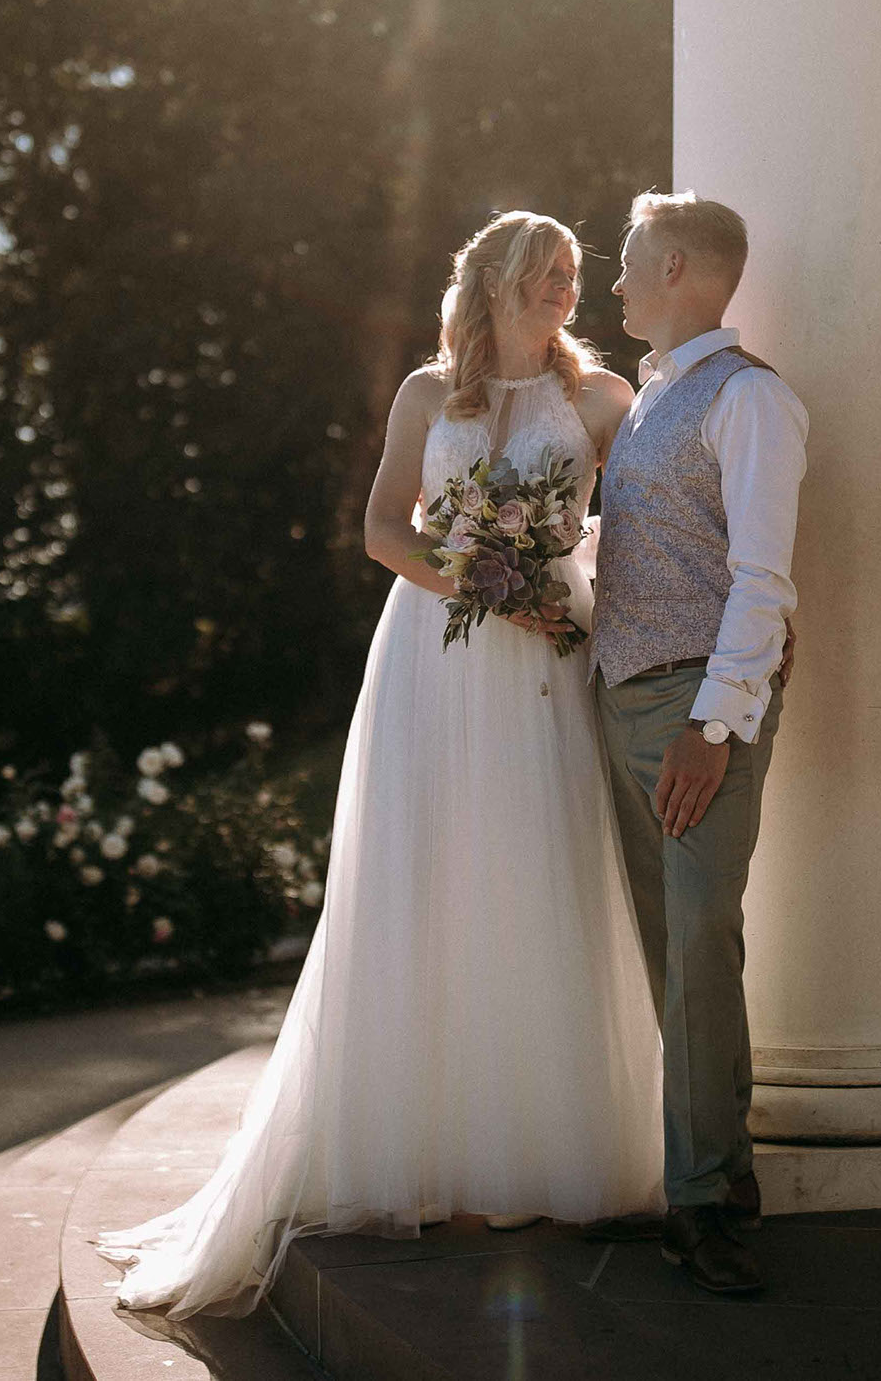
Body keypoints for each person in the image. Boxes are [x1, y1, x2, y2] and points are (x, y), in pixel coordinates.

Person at [94, 212, 663, 1317]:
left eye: (570, 277)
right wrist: (494, 585)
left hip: (548, 657)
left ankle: (545, 1153)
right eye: (542, 273)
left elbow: (637, 533)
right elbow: (380, 531)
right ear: (493, 280)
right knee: (426, 881)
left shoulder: (600, 400)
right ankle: (432, 1153)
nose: (559, 291)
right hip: (433, 661)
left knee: (538, 874)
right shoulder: (423, 394)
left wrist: (566, 594)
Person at [591, 191, 808, 1297]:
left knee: (698, 953)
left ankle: (713, 1199)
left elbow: (764, 581)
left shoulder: (752, 399)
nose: (613, 278)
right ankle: (686, 1177)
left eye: (626, 259)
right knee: (663, 955)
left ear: (674, 264)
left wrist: (712, 727)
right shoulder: (647, 401)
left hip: (690, 714)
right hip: (618, 696)